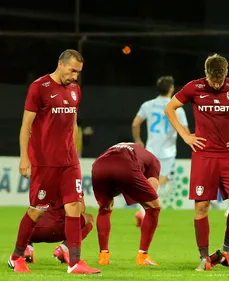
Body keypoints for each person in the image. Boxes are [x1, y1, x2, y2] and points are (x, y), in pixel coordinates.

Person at [164, 53, 229, 271]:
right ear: (206, 73)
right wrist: (186, 135)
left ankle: (226, 249)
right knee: (202, 207)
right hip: (203, 156)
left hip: (228, 155)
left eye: (220, 80)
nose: (216, 84)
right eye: (213, 80)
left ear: (226, 73)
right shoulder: (194, 87)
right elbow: (169, 108)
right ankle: (204, 257)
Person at [9, 49, 100, 274]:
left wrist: (75, 152)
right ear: (61, 64)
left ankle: (75, 262)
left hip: (69, 161)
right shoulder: (39, 88)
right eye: (72, 70)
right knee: (36, 211)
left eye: (78, 72)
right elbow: (26, 126)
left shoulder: (75, 90)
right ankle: (16, 256)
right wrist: (24, 157)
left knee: (74, 207)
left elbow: (74, 123)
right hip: (44, 162)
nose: (75, 76)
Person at [92, 142, 161, 266]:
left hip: (99, 165)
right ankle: (143, 255)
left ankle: (104, 256)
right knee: (154, 207)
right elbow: (152, 190)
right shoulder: (154, 161)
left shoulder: (117, 147)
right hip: (125, 163)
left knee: (105, 208)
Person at [132, 76, 189, 226]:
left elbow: (136, 123)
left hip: (150, 150)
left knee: (148, 182)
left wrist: (138, 140)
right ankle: (145, 212)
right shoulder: (177, 108)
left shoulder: (148, 105)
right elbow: (185, 131)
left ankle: (141, 210)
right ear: (171, 89)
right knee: (158, 183)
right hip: (167, 152)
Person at [23, 201, 94, 265]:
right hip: (54, 229)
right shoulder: (71, 186)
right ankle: (65, 247)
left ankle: (27, 247)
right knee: (89, 218)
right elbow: (80, 210)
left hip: (32, 231)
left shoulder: (38, 185)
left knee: (29, 218)